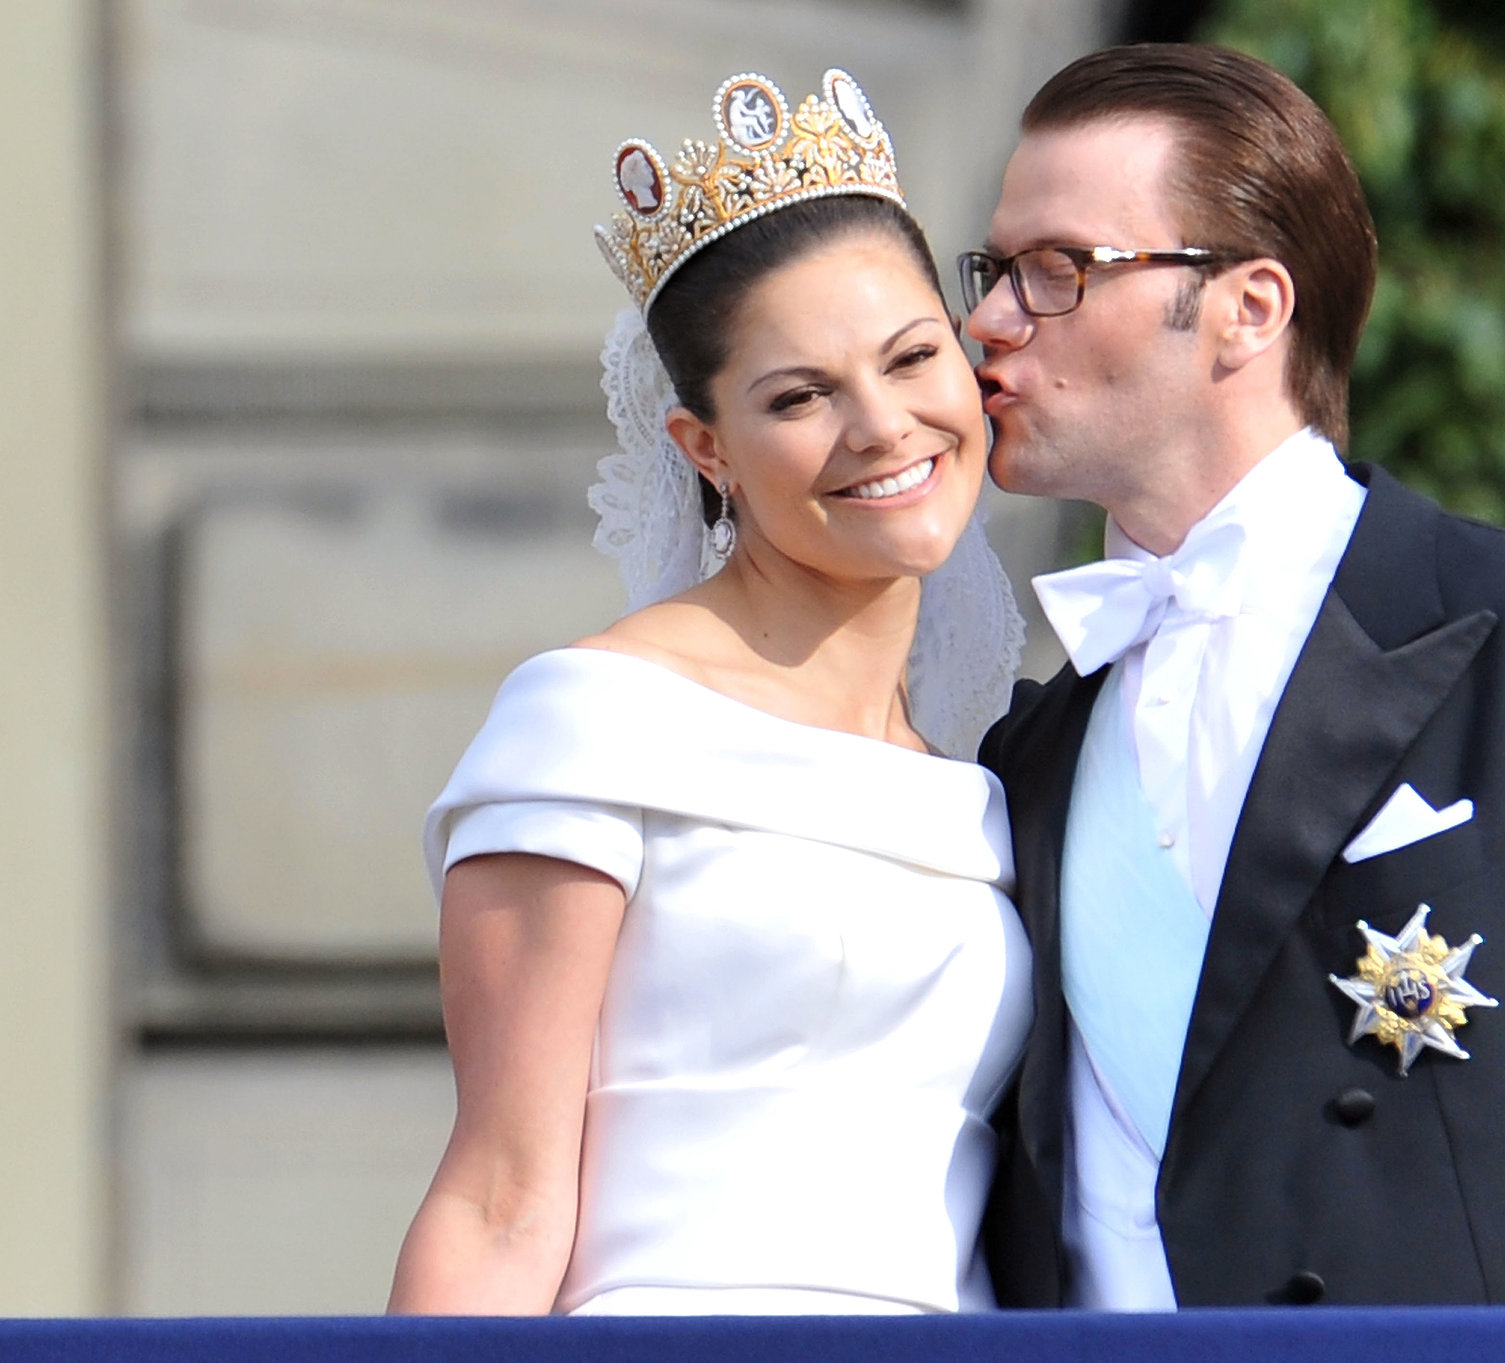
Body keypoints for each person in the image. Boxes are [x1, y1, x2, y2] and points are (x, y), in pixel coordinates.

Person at [962, 43, 1505, 1308]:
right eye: (994, 272)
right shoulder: (1026, 743)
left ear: (1248, 307)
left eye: (1058, 272)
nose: (987, 320)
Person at [387, 68, 1030, 1316]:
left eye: (910, 358)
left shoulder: (981, 783)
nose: (884, 427)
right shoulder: (593, 724)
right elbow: (498, 1198)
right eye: (799, 396)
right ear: (705, 449)